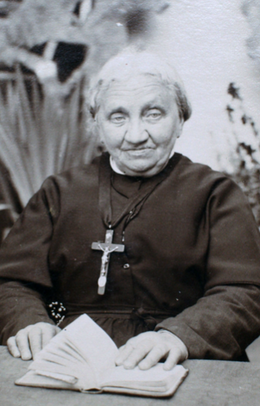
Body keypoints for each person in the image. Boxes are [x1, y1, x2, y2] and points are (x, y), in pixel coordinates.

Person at [0, 50, 260, 371]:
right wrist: (30, 323)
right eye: (118, 117)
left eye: (153, 114)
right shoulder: (60, 191)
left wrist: (178, 337)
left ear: (180, 120)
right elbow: (12, 282)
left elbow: (245, 291)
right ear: (97, 125)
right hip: (70, 360)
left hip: (181, 360)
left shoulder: (214, 193)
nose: (136, 136)